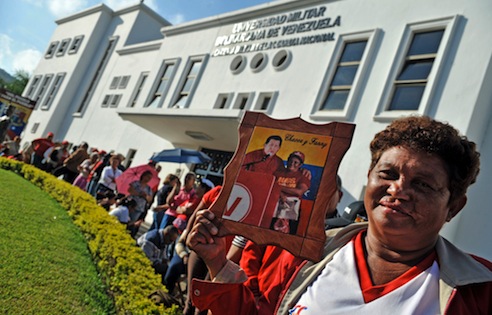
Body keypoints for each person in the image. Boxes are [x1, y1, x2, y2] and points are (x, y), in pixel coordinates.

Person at [187, 116, 492, 314]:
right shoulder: (301, 255)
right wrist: (218, 264)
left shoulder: (480, 292)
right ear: (369, 177)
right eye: (388, 173)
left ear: (453, 207)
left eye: (423, 184)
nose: (399, 190)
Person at [270, 151, 311, 235]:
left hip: (291, 209)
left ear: (300, 165)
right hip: (274, 206)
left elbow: (299, 191)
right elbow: (269, 185)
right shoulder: (278, 173)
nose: (292, 163)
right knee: (269, 231)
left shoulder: (303, 176)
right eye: (290, 161)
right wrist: (280, 193)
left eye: (296, 162)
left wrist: (278, 187)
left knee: (286, 235)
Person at [127, 170, 154, 237]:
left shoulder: (148, 188)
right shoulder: (136, 183)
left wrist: (145, 196)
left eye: (150, 178)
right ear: (143, 176)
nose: (148, 179)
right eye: (147, 177)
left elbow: (150, 199)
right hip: (130, 205)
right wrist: (139, 194)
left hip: (139, 208)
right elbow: (130, 190)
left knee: (131, 223)